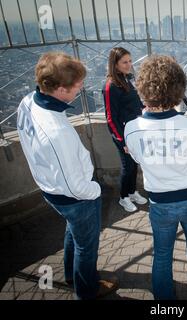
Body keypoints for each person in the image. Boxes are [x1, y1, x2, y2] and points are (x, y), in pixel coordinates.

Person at [16, 52, 118, 299]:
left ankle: (72, 274)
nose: (81, 88)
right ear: (61, 89)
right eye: (77, 85)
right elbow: (74, 186)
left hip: (50, 187)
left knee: (73, 231)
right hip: (75, 197)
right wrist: (95, 190)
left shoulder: (29, 101)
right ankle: (86, 290)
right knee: (87, 246)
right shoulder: (55, 132)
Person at [124, 55, 187, 300]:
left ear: (143, 88)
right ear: (178, 89)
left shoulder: (132, 128)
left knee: (162, 253)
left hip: (160, 201)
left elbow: (139, 159)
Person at [102, 47, 147, 212]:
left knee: (134, 164)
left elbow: (134, 103)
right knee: (127, 166)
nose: (129, 65)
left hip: (134, 130)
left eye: (130, 61)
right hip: (123, 133)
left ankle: (132, 191)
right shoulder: (110, 86)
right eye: (124, 62)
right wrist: (122, 141)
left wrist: (145, 107)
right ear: (115, 64)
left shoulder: (127, 79)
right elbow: (110, 118)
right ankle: (123, 197)